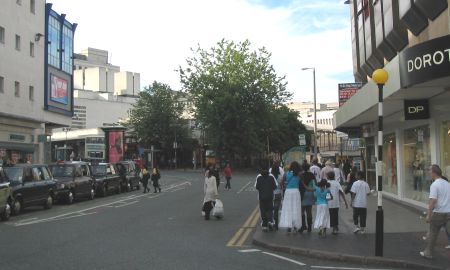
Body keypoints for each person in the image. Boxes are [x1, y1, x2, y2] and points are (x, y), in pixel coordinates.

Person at [420, 165, 450, 259]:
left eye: (430, 171)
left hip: (438, 213)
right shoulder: (447, 183)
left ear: (434, 173)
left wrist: (429, 215)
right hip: (448, 212)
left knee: (433, 234)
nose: (429, 172)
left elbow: (433, 201)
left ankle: (428, 253)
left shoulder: (434, 185)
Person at [279, 161, 302, 233]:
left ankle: (289, 226)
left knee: (288, 209)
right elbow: (301, 183)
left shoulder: (286, 173)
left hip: (288, 192)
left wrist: (285, 186)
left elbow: (281, 183)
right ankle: (295, 226)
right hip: (296, 192)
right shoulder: (299, 174)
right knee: (296, 208)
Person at [255, 167, 278, 232]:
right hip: (270, 197)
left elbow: (257, 187)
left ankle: (264, 225)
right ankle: (270, 221)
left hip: (261, 197)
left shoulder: (259, 178)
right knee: (270, 210)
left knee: (263, 211)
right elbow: (275, 187)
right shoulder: (271, 177)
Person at [299, 163, 316, 233]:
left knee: (302, 211)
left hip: (302, 194)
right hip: (310, 193)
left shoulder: (300, 175)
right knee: (309, 211)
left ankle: (303, 226)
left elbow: (299, 185)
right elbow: (315, 183)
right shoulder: (311, 175)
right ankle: (309, 227)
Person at [270, 163, 284, 231]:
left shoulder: (270, 176)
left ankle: (270, 223)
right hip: (278, 194)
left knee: (270, 210)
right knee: (276, 210)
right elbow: (281, 186)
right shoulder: (280, 177)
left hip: (271, 194)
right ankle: (276, 225)